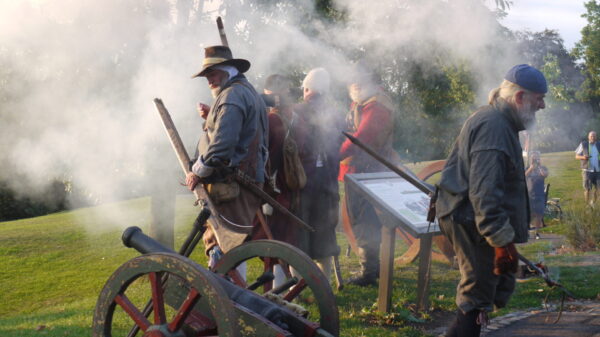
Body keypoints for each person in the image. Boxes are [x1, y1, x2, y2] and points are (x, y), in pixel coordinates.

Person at [436, 64, 546, 337]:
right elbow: (484, 193)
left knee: (489, 292)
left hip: (477, 219)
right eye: (538, 98)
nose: (542, 105)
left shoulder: (501, 123)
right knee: (477, 296)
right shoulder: (493, 127)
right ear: (520, 97)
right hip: (471, 219)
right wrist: (500, 241)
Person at [185, 45, 268, 269]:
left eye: (212, 73)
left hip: (234, 180)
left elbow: (223, 144)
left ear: (227, 70)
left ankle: (230, 298)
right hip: (244, 176)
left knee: (226, 242)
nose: (209, 80)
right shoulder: (245, 92)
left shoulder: (231, 96)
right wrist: (212, 114)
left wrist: (198, 171)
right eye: (207, 75)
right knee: (232, 240)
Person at [339, 62, 395, 286]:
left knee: (363, 221)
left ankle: (368, 272)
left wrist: (334, 153)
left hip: (366, 170)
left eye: (359, 78)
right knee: (366, 220)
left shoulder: (376, 106)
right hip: (363, 169)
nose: (354, 83)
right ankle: (375, 268)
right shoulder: (364, 102)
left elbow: (361, 139)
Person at [295, 67, 344, 281]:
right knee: (324, 233)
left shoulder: (297, 112)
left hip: (303, 182)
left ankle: (295, 286)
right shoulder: (336, 114)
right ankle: (325, 283)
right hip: (327, 183)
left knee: (299, 235)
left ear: (307, 89)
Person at [525, 151, 548, 239]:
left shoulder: (542, 167)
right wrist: (530, 168)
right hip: (529, 194)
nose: (534, 160)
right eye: (533, 158)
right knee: (529, 214)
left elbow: (545, 174)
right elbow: (523, 177)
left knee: (539, 214)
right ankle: (526, 231)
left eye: (536, 158)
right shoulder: (527, 167)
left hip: (539, 194)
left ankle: (536, 232)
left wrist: (539, 167)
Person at [575, 131, 600, 206]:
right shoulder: (584, 144)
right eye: (591, 136)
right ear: (588, 137)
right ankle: (587, 205)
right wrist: (583, 157)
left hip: (598, 170)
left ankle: (593, 203)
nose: (593, 137)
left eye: (594, 136)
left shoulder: (599, 144)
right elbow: (576, 156)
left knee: (599, 189)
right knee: (587, 189)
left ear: (596, 137)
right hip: (587, 171)